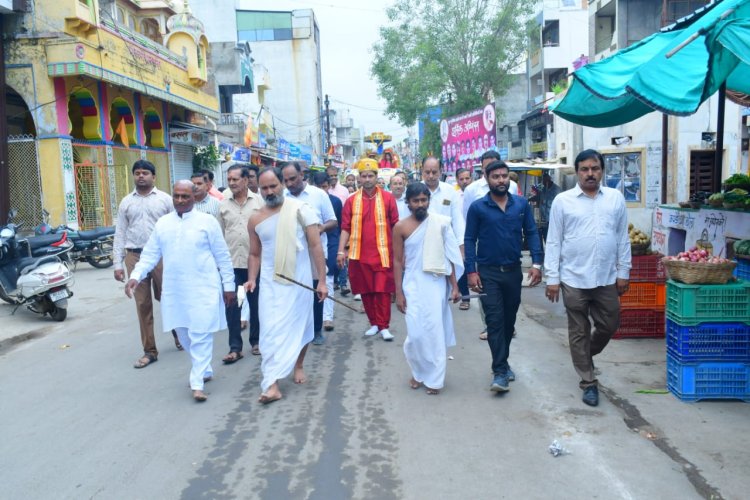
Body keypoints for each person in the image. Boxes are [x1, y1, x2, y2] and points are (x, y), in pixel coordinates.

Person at [125, 181, 235, 402]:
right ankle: (204, 370)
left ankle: (197, 384)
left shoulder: (207, 222)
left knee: (200, 334)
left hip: (204, 287)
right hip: (175, 289)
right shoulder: (164, 223)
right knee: (184, 334)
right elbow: (150, 254)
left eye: (185, 196)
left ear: (194, 197)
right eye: (177, 196)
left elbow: (222, 256)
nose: (180, 200)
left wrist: (229, 286)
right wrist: (135, 276)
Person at [544, 149, 631, 407]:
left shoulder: (615, 199)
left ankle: (583, 356)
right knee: (578, 331)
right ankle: (588, 382)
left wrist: (623, 271)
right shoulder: (563, 201)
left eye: (595, 168)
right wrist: (552, 278)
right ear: (577, 171)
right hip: (573, 278)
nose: (590, 173)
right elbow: (554, 241)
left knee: (609, 324)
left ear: (602, 170)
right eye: (585, 169)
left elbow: (622, 238)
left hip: (606, 277)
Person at [247, 168, 328, 404]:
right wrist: (252, 278)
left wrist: (322, 281)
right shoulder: (255, 218)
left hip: (299, 279)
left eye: (274, 186)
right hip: (271, 283)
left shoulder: (301, 210)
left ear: (282, 184)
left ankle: (298, 365)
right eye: (265, 188)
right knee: (270, 330)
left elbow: (315, 247)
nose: (270, 191)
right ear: (259, 190)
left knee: (301, 326)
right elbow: (254, 253)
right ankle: (271, 384)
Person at [465, 160, 544, 393]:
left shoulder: (520, 204)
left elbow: (531, 231)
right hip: (488, 273)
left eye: (504, 176)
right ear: (487, 179)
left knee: (509, 322)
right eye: (496, 176)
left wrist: (537, 263)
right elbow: (469, 240)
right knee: (495, 321)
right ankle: (499, 371)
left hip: (513, 273)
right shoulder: (478, 208)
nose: (501, 180)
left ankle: (503, 362)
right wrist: (471, 271)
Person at [393, 183, 462, 395]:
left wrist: (455, 287)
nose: (421, 204)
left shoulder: (440, 223)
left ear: (428, 201)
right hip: (412, 284)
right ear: (408, 203)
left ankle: (434, 379)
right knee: (415, 335)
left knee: (434, 333)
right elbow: (396, 261)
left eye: (424, 200)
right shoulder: (400, 227)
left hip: (435, 284)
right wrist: (399, 293)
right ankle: (419, 371)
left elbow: (449, 256)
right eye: (416, 201)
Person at [113, 160, 174, 368]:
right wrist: (117, 264)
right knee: (142, 304)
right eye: (137, 173)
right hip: (135, 256)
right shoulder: (126, 202)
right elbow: (120, 233)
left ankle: (178, 333)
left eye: (145, 173)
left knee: (166, 297)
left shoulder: (165, 200)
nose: (141, 176)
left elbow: (176, 228)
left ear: (153, 177)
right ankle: (150, 351)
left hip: (161, 256)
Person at [337, 157, 399, 341]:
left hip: (383, 253)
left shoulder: (388, 198)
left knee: (382, 290)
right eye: (363, 176)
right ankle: (374, 323)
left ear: (376, 176)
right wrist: (341, 251)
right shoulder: (351, 201)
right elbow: (345, 227)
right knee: (365, 290)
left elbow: (396, 225)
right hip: (358, 254)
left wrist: (401, 251)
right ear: (359, 179)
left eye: (370, 175)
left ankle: (384, 325)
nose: (367, 179)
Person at [282, 162, 337, 345]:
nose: (289, 184)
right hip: (290, 253)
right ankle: (296, 329)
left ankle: (316, 329)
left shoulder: (318, 194)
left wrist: (319, 228)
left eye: (293, 179)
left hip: (315, 252)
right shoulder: (281, 196)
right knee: (293, 291)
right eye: (286, 180)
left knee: (316, 290)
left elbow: (333, 221)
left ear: (302, 175)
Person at [218, 165, 263, 362]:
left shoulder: (259, 202)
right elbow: (219, 235)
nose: (232, 183)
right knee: (233, 305)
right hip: (231, 265)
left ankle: (257, 341)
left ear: (246, 180)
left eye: (235, 179)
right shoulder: (223, 204)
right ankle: (235, 347)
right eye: (229, 179)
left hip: (255, 263)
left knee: (256, 304)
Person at [312, 171, 342, 334]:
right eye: (319, 187)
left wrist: (340, 249)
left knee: (328, 280)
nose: (322, 190)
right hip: (312, 247)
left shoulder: (336, 202)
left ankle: (327, 317)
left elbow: (340, 225)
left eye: (324, 187)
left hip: (331, 243)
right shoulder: (307, 201)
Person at [420, 156, 465, 258]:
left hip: (446, 243)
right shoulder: (415, 191)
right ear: (422, 171)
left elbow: (457, 219)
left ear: (441, 171)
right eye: (427, 172)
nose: (431, 176)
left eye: (434, 172)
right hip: (422, 243)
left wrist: (461, 244)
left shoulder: (450, 191)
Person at [454, 167, 473, 311]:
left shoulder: (477, 193)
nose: (465, 181)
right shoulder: (454, 197)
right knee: (461, 266)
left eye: (467, 178)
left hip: (477, 236)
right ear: (457, 181)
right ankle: (465, 297)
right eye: (462, 179)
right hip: (460, 238)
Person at [538, 172, 562, 242]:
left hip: (552, 219)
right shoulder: (543, 188)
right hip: (543, 219)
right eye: (543, 182)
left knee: (550, 239)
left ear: (549, 180)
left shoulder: (557, 190)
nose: (544, 183)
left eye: (545, 181)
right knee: (543, 237)